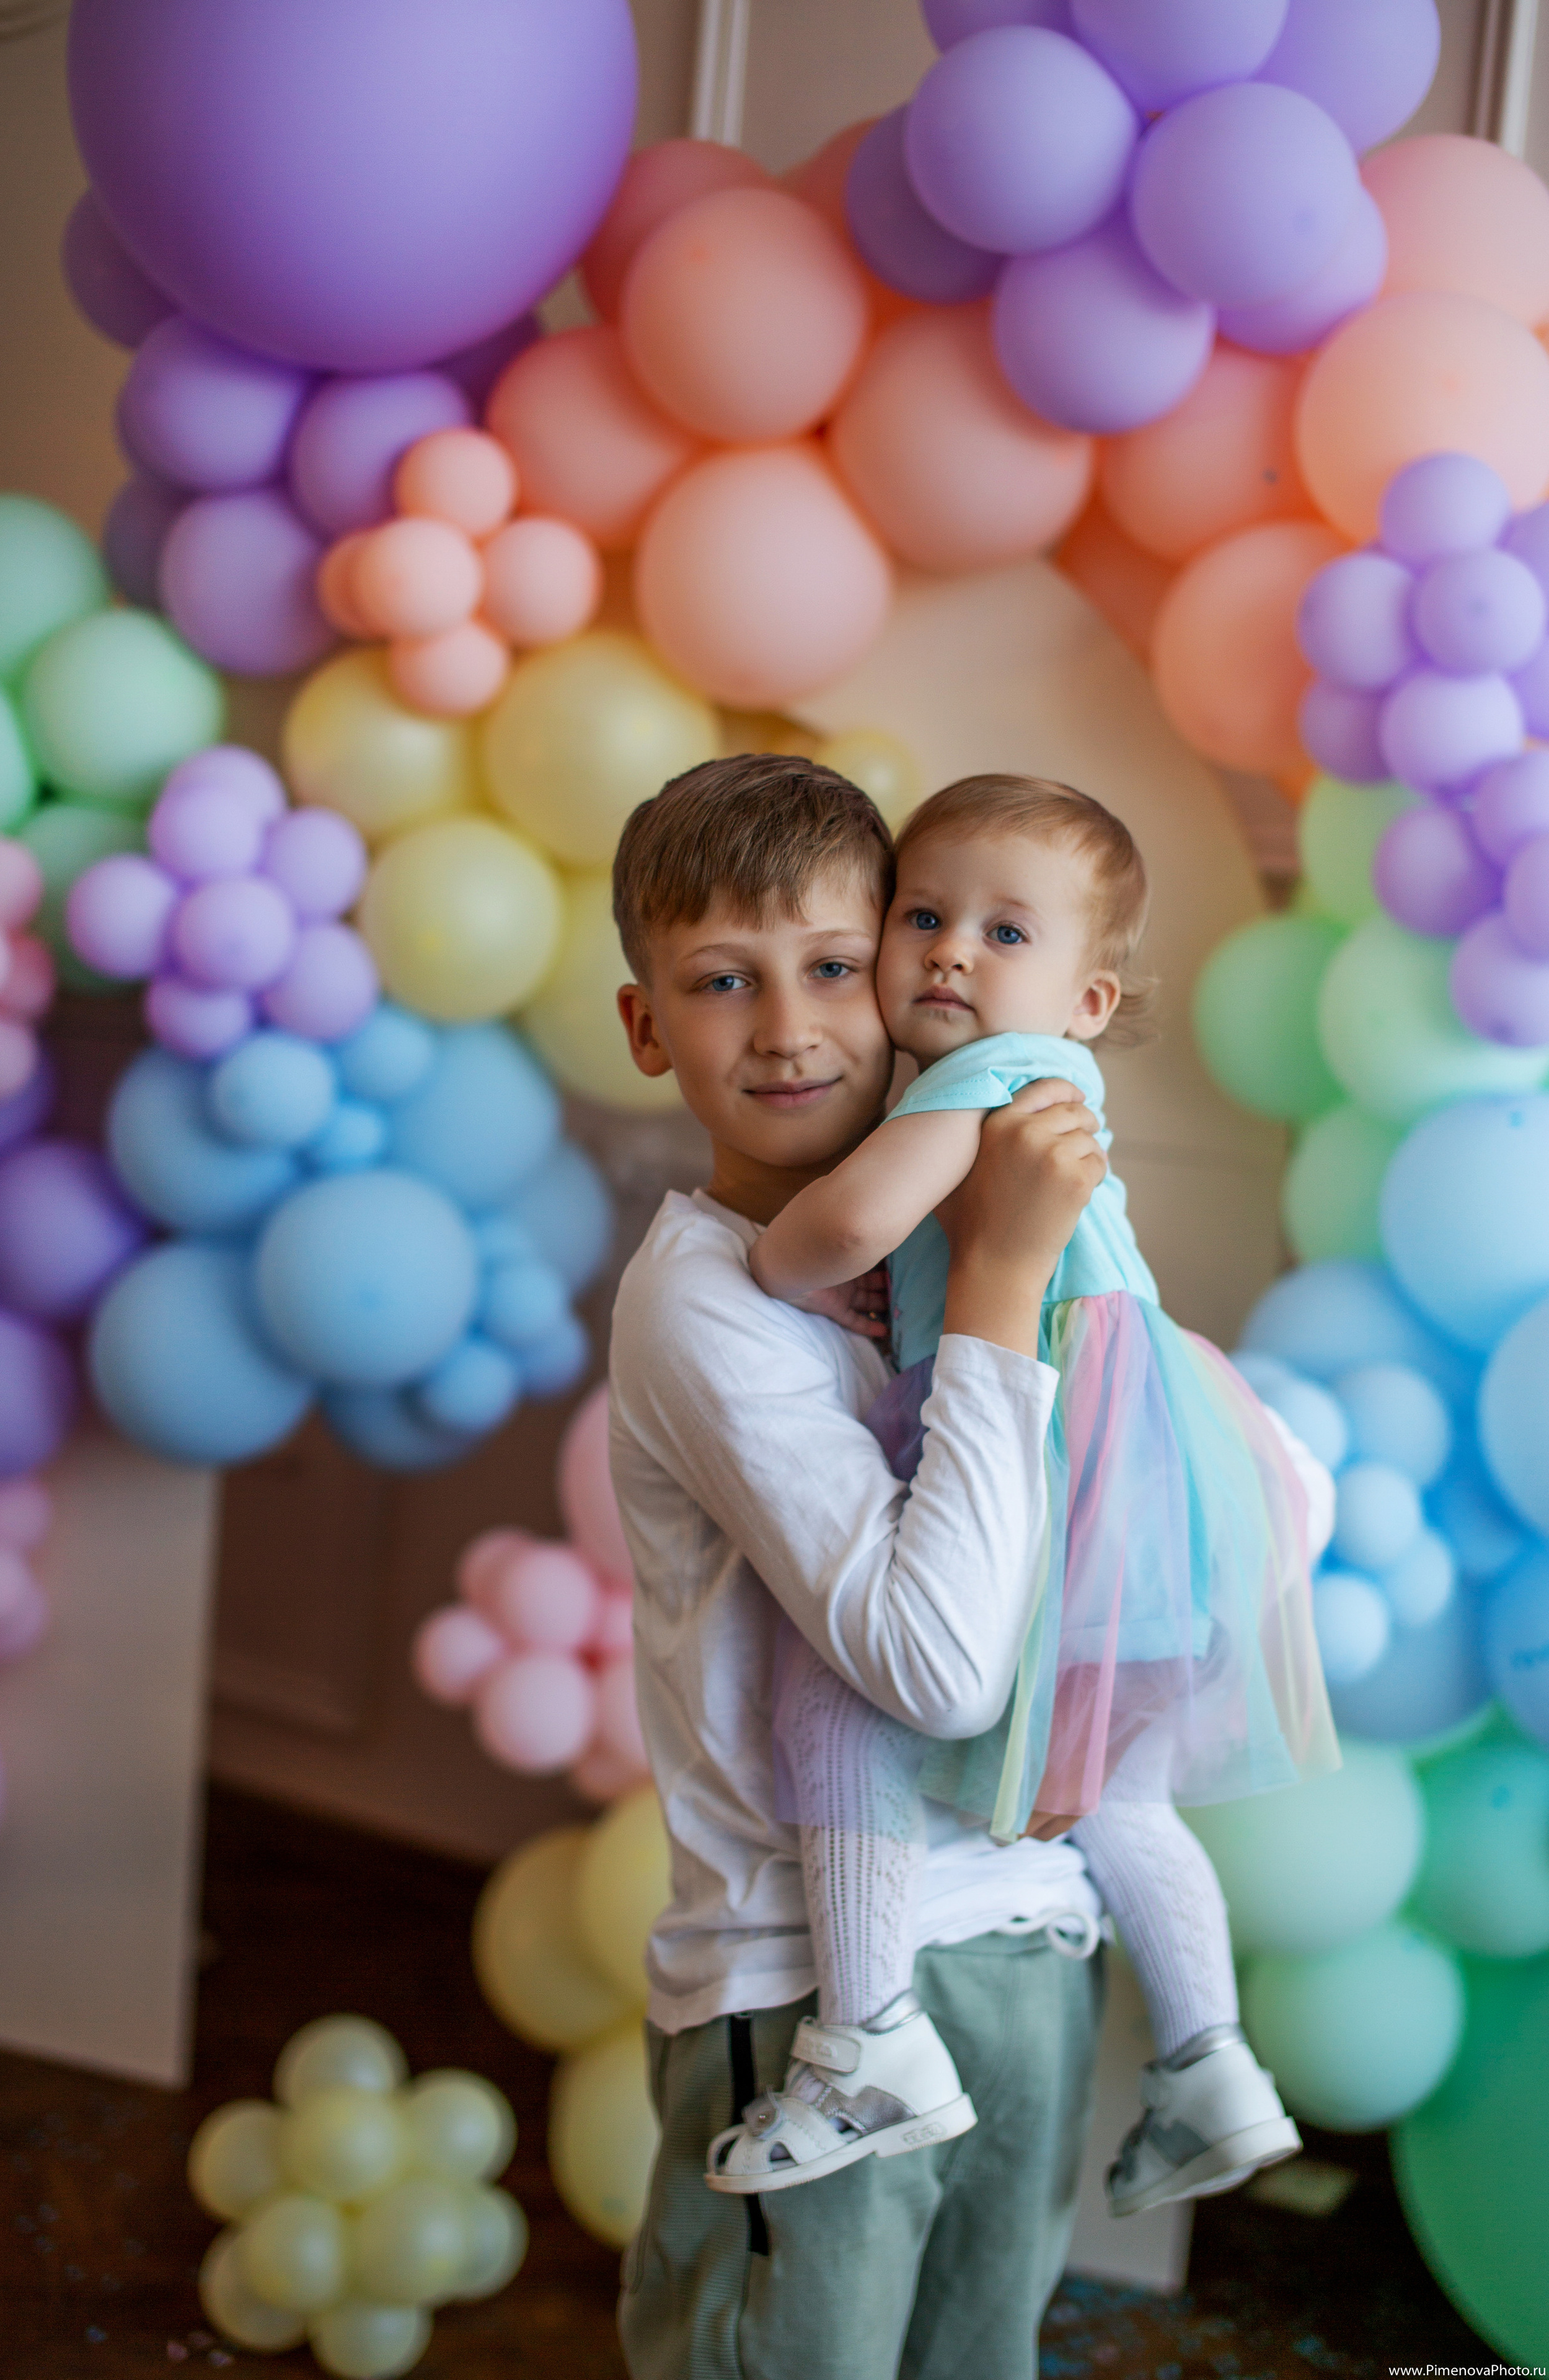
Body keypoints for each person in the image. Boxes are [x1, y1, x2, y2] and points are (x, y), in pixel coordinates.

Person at [712, 772, 1338, 2221]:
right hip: (1151, 1483)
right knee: (1119, 1792)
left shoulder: (987, 1079)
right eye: (921, 916)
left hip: (1057, 1453)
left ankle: (865, 2039)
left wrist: (769, 1260)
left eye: (1003, 933)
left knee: (836, 1702)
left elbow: (848, 1226)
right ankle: (1209, 2067)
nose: (946, 952)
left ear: (1086, 998)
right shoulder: (1039, 1083)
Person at [607, 752, 1111, 2380]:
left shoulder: (945, 1206)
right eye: (720, 983)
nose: (790, 1027)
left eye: (834, 964)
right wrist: (1008, 1275)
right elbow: (936, 1666)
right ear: (644, 1028)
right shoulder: (703, 1302)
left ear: (906, 967)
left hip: (1030, 1926)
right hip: (808, 1986)